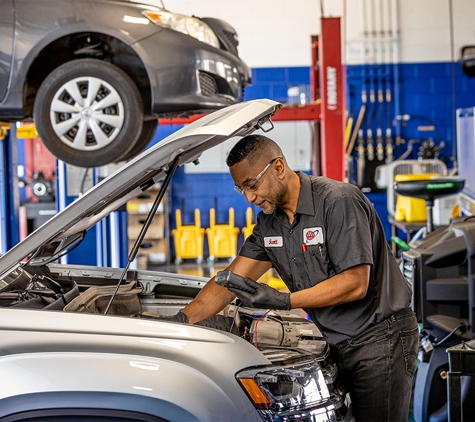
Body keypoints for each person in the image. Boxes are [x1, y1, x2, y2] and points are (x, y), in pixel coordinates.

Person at [174, 134, 419, 421]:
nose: (250, 197)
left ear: (278, 167)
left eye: (252, 185)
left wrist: (284, 300)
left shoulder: (337, 201)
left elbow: (355, 283)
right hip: (335, 340)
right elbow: (228, 282)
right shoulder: (270, 223)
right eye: (242, 190)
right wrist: (180, 321)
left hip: (379, 338)